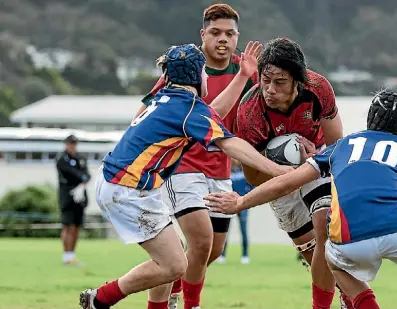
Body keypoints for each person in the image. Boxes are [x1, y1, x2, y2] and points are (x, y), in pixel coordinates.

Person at [205, 90, 397, 309]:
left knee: (335, 264)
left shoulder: (341, 146)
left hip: (350, 240)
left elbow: (286, 182)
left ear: (371, 118)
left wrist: (241, 202)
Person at [79, 44, 290, 309]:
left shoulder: (168, 99)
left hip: (120, 182)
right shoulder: (187, 108)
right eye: (203, 71)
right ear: (195, 75)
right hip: (128, 188)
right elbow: (230, 143)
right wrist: (279, 170)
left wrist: (242, 77)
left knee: (172, 255)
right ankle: (99, 298)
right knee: (175, 265)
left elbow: (214, 114)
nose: (206, 77)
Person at [140, 5, 260, 309]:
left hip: (220, 171)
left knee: (213, 250)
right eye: (216, 32)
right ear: (202, 34)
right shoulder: (187, 67)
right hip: (182, 166)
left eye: (230, 34)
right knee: (202, 242)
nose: (223, 39)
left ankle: (174, 278)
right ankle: (188, 302)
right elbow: (146, 112)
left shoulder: (247, 69)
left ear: (237, 37)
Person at [234, 37, 353, 309]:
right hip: (275, 180)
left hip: (316, 166)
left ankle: (342, 301)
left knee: (325, 229)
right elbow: (253, 178)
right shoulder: (249, 112)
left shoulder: (319, 88)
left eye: (279, 82)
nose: (269, 89)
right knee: (314, 255)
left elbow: (337, 146)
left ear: (297, 81)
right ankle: (348, 293)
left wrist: (315, 160)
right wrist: (280, 165)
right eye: (265, 80)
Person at [56, 134, 90, 266]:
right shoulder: (62, 158)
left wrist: (83, 178)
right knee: (68, 226)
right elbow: (71, 172)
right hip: (67, 195)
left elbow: (87, 174)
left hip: (79, 195)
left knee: (76, 226)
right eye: (70, 143)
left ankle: (72, 254)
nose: (72, 146)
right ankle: (67, 255)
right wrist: (81, 177)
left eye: (74, 143)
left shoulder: (80, 158)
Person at [216, 159, 253, 264]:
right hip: (228, 204)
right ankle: (222, 255)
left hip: (242, 204)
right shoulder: (227, 172)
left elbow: (251, 186)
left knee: (243, 231)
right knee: (225, 231)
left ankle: (245, 255)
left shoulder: (244, 172)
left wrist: (247, 197)